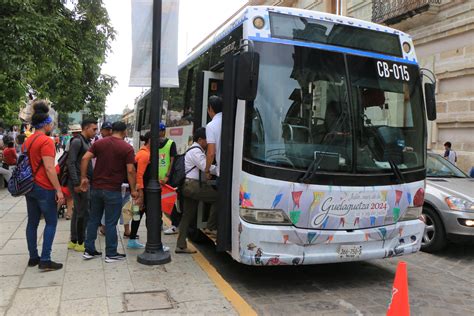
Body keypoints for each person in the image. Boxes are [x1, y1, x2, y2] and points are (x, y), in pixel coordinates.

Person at [80, 121, 137, 263]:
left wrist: (83, 177)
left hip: (96, 188)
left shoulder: (100, 143)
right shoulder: (127, 148)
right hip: (113, 190)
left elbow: (85, 158)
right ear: (124, 132)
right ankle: (111, 253)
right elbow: (130, 170)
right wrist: (134, 189)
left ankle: (89, 250)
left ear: (112, 131)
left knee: (94, 219)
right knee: (111, 223)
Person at [23, 100, 65, 271]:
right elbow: (49, 168)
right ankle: (46, 259)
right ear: (46, 124)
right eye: (51, 123)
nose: (52, 125)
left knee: (32, 222)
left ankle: (33, 257)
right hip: (44, 187)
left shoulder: (28, 141)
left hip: (29, 186)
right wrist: (58, 190)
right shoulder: (46, 141)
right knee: (51, 222)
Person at [176, 127, 217, 254]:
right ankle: (210, 227)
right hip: (194, 186)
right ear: (200, 140)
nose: (209, 143)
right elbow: (206, 166)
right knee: (219, 198)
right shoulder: (196, 151)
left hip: (189, 186)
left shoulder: (194, 149)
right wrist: (221, 169)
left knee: (187, 216)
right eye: (207, 140)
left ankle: (181, 245)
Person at [66, 118, 97, 252]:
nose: (95, 131)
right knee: (83, 212)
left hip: (82, 181)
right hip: (79, 182)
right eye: (94, 129)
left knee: (78, 211)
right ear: (85, 128)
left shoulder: (86, 142)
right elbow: (71, 162)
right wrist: (76, 183)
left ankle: (74, 240)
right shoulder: (78, 141)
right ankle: (80, 242)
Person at [204, 95, 223, 232]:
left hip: (221, 171)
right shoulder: (231, 120)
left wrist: (206, 170)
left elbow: (211, 152)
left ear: (210, 109)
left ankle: (213, 228)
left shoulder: (211, 126)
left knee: (218, 200)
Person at [157, 123, 179, 234]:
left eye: (159, 131)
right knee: (156, 202)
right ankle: (159, 223)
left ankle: (175, 225)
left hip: (166, 180)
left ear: (163, 131)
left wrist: (167, 176)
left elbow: (172, 161)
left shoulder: (171, 144)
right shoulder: (153, 144)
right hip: (155, 180)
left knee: (169, 202)